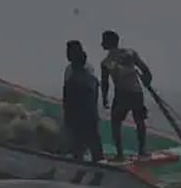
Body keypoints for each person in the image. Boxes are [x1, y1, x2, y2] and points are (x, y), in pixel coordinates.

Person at [99, 30, 152, 161]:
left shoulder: (106, 62)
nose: (101, 43)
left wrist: (104, 98)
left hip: (122, 94)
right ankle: (142, 151)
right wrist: (147, 80)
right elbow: (146, 70)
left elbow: (105, 83)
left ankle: (120, 154)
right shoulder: (130, 53)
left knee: (116, 123)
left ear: (109, 42)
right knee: (139, 121)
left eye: (103, 41)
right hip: (137, 92)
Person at [62, 40, 104, 162]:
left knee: (87, 145)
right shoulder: (71, 72)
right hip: (85, 115)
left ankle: (91, 169)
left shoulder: (81, 76)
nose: (68, 55)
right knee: (84, 145)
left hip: (82, 115)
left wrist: (69, 117)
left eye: (70, 52)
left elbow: (70, 99)